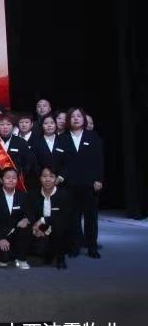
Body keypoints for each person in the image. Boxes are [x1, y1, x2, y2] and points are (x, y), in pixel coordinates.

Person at [55, 107, 104, 259]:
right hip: (69, 185)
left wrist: (99, 179)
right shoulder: (62, 138)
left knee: (91, 218)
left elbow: (99, 160)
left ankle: (92, 247)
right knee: (72, 218)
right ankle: (75, 247)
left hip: (89, 184)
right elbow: (59, 162)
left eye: (79, 116)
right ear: (68, 120)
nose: (76, 119)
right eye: (73, 116)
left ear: (83, 119)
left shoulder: (92, 136)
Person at [0, 167, 33, 269]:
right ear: (1, 180)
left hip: (17, 232)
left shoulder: (23, 195)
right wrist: (1, 238)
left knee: (26, 227)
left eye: (14, 178)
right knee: (4, 260)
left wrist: (26, 219)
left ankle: (22, 259)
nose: (11, 180)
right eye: (7, 178)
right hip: (0, 234)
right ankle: (6, 253)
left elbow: (30, 212)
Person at [0, 113, 35, 194]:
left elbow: (27, 162)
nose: (5, 127)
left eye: (8, 124)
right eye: (2, 124)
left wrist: (20, 174)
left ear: (13, 126)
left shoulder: (21, 142)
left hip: (15, 181)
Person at [30, 166, 69, 269]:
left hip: (57, 229)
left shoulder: (64, 195)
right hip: (40, 229)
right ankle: (46, 253)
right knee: (38, 250)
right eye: (44, 176)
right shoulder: (33, 194)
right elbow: (30, 214)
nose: (48, 179)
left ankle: (60, 258)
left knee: (59, 225)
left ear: (56, 179)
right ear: (40, 178)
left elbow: (65, 218)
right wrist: (35, 228)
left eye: (51, 176)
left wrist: (43, 220)